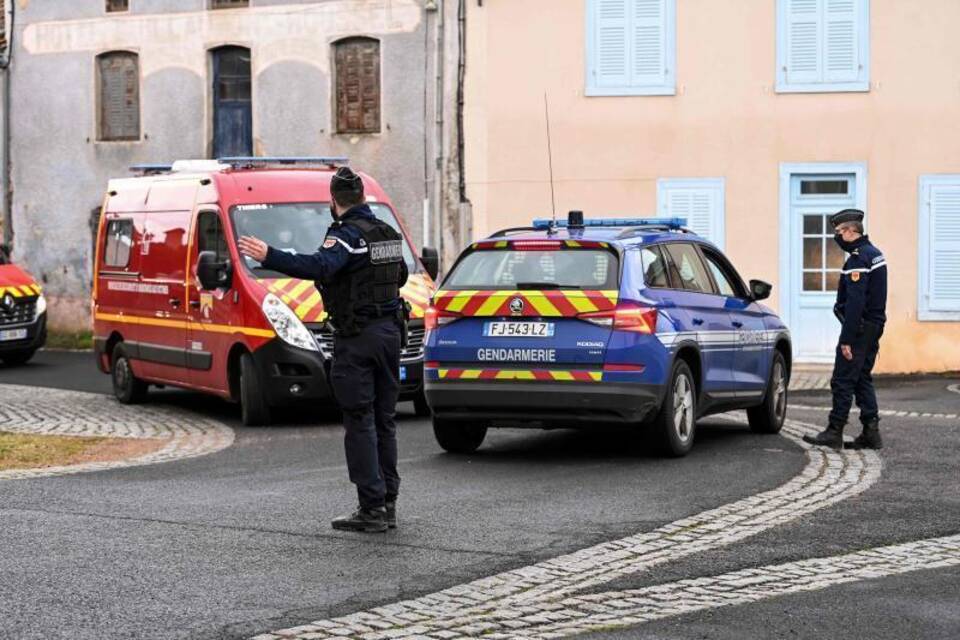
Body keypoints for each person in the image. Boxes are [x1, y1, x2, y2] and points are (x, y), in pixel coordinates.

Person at [238, 167, 408, 533]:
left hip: (358, 338)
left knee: (360, 420)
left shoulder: (344, 236)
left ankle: (371, 508)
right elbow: (402, 276)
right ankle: (388, 502)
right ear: (363, 197)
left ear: (334, 202)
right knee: (385, 420)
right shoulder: (387, 233)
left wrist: (270, 255)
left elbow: (319, 266)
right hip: (391, 334)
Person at [803, 209, 887, 450]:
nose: (837, 237)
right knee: (861, 378)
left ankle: (834, 430)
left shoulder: (859, 259)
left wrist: (847, 339)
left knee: (842, 379)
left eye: (839, 232)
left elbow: (855, 304)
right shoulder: (875, 254)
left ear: (851, 231)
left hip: (859, 328)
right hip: (874, 325)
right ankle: (871, 432)